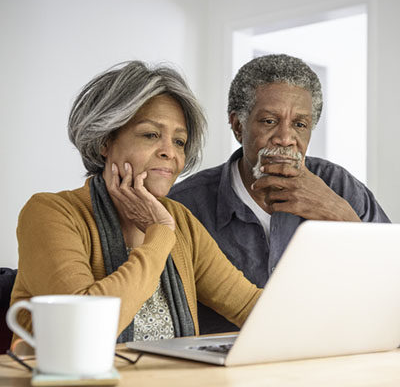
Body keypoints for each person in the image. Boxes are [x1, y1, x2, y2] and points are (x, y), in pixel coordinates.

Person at [10, 61, 262, 344]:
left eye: (179, 142)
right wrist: (159, 236)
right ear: (104, 140)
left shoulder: (180, 221)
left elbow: (249, 305)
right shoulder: (50, 213)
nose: (170, 153)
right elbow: (82, 330)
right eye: (151, 135)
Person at [169, 54, 390, 334]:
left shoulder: (339, 186)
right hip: (223, 367)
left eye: (299, 124)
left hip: (326, 354)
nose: (285, 139)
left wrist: (338, 213)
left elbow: (390, 283)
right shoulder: (186, 203)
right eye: (270, 121)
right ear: (238, 126)